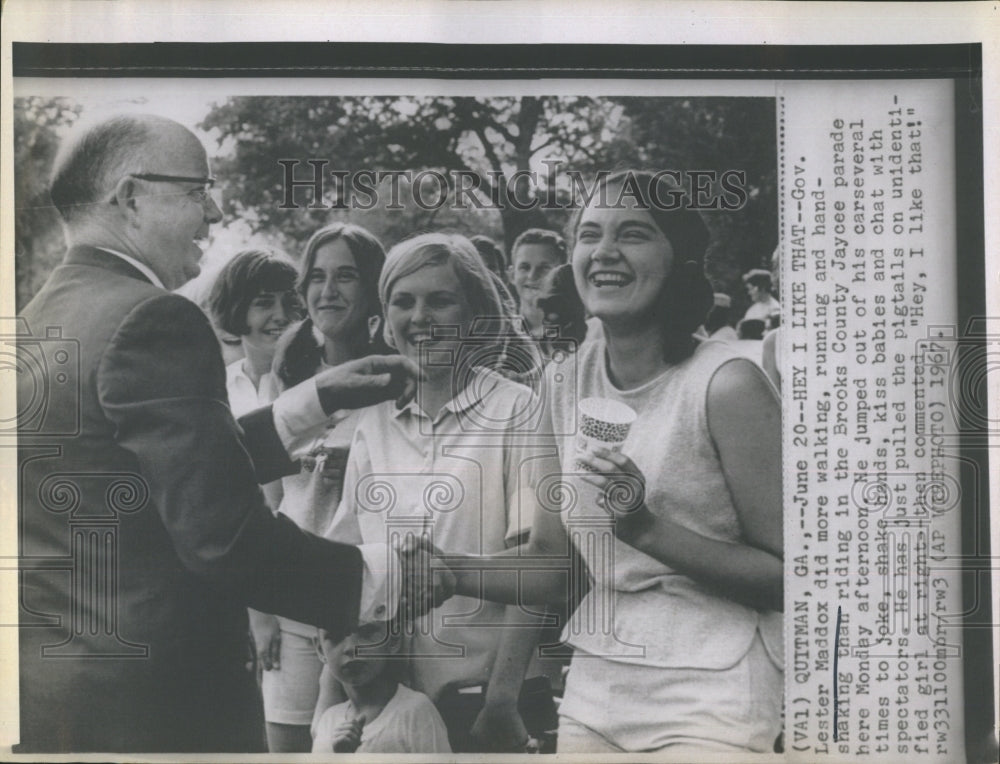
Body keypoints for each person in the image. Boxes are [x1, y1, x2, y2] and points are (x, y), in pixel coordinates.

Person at [14, 113, 442, 753]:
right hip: (160, 710)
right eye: (196, 190)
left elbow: (137, 475)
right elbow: (223, 537)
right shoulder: (154, 318)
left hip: (58, 695)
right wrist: (385, 582)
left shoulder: (37, 320)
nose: (213, 212)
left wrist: (309, 402)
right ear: (131, 197)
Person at [445, 169, 784, 753]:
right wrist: (446, 571)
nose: (604, 252)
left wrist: (645, 529)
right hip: (598, 684)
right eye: (589, 234)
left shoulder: (728, 384)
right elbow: (554, 565)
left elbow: (794, 579)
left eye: (633, 234)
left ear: (680, 260)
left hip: (718, 693)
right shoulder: (561, 380)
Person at [320, 232, 550, 752]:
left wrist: (502, 700)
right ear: (384, 318)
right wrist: (329, 705)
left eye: (439, 300)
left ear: (473, 313)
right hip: (390, 710)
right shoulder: (371, 421)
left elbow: (538, 570)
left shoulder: (519, 411)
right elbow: (347, 571)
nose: (420, 316)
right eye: (404, 301)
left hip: (486, 702)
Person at [251, 223, 389, 752]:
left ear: (374, 286)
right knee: (283, 746)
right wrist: (260, 613)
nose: (327, 291)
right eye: (317, 276)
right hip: (289, 601)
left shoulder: (392, 378)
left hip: (366, 612)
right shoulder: (285, 376)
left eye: (346, 276)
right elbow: (265, 502)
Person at [311, 620, 451, 754]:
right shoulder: (328, 722)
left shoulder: (415, 712)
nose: (351, 648)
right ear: (320, 650)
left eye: (367, 633)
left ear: (393, 639)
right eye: (336, 637)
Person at [207, 249, 302, 417]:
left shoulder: (317, 383)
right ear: (236, 310)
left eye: (291, 303)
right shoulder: (218, 389)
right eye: (264, 303)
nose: (281, 316)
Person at [507, 228, 568, 340]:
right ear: (511, 276)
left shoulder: (582, 333)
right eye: (525, 267)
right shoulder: (499, 335)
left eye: (544, 268)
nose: (532, 276)